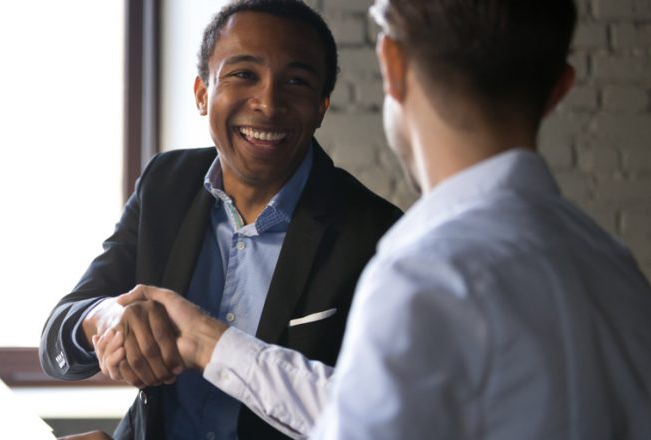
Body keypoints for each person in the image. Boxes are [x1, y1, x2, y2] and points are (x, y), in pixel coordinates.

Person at [96, 0, 651, 438]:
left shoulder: (423, 270)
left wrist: (207, 342)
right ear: (560, 88)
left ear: (392, 65)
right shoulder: (618, 272)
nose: (267, 103)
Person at [38, 1, 402, 438]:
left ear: (322, 106)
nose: (268, 102)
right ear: (201, 93)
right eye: (243, 74)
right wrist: (104, 319)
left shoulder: (378, 234)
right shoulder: (165, 184)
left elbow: (379, 418)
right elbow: (58, 335)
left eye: (296, 81)